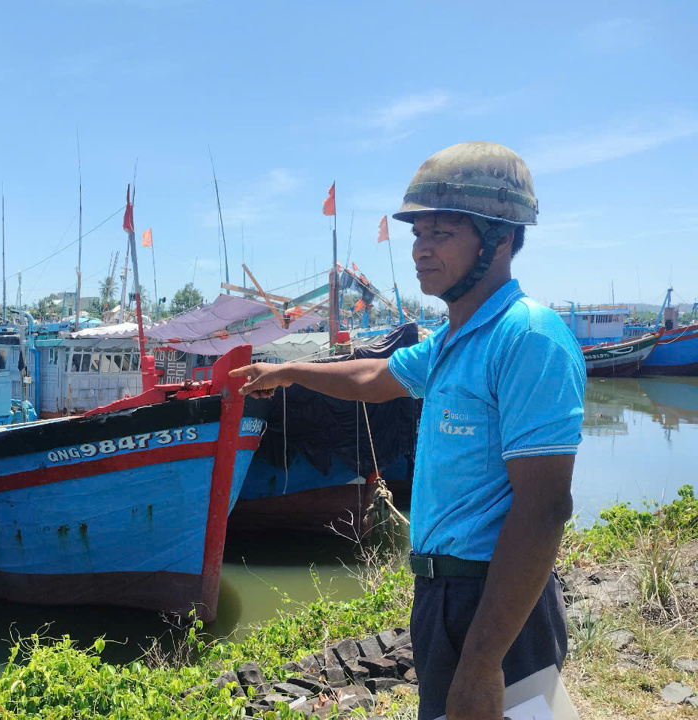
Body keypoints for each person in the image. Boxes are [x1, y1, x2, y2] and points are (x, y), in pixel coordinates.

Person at [229, 142, 586, 720]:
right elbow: (374, 373)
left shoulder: (528, 339)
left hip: (498, 600)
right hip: (441, 594)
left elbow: (544, 509)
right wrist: (289, 371)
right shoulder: (450, 342)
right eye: (417, 234)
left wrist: (481, 661)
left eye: (441, 233)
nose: (420, 250)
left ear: (499, 239)